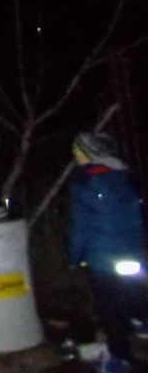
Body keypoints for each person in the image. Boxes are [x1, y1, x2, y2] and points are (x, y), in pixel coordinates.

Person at [67, 130, 146, 373]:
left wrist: (74, 257)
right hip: (132, 252)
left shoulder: (84, 181)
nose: (75, 155)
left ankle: (120, 358)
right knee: (131, 291)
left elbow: (79, 225)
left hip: (100, 256)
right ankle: (140, 322)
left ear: (88, 152)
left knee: (109, 307)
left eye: (77, 151)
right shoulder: (125, 176)